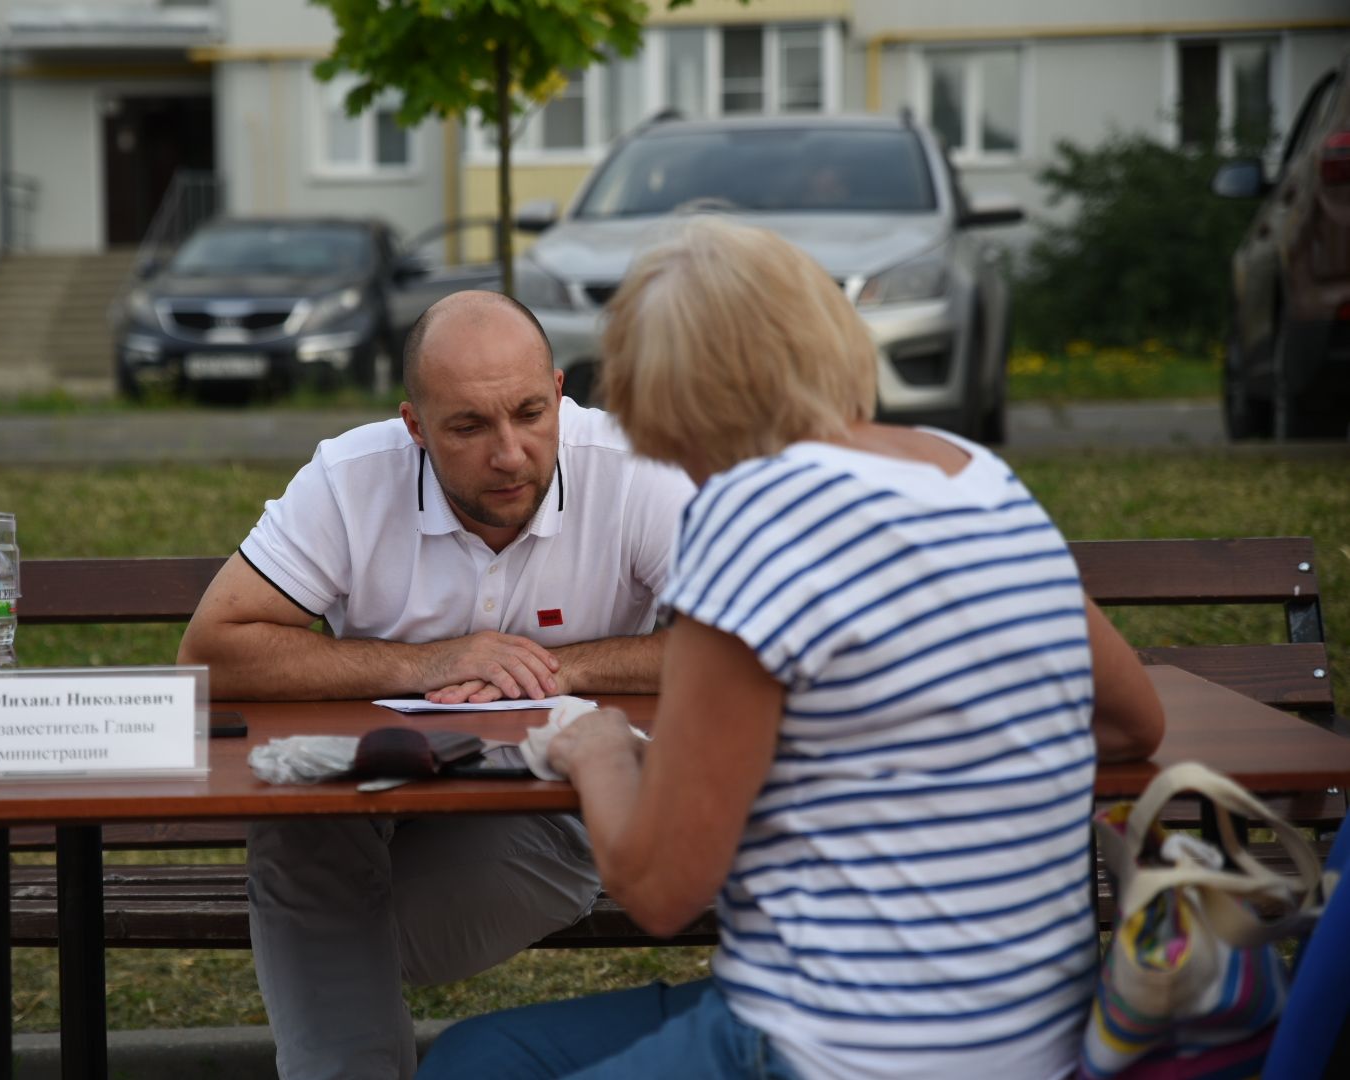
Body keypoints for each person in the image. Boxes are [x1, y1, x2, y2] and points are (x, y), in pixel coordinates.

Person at [416, 218, 1166, 1079]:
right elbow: (1133, 721)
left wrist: (596, 751)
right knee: (488, 1049)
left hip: (827, 1048)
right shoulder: (978, 477)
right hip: (1039, 1043)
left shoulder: (752, 525)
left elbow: (661, 891)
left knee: (473, 1065)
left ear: (677, 400)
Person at [177, 289, 695, 1080]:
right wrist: (429, 661)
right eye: (467, 426)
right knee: (300, 833)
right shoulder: (352, 477)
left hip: (549, 824)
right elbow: (211, 652)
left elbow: (738, 646)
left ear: (560, 391)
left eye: (529, 412)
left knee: (318, 943)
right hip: (366, 807)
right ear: (413, 426)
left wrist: (557, 666)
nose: (510, 452)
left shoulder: (633, 469)